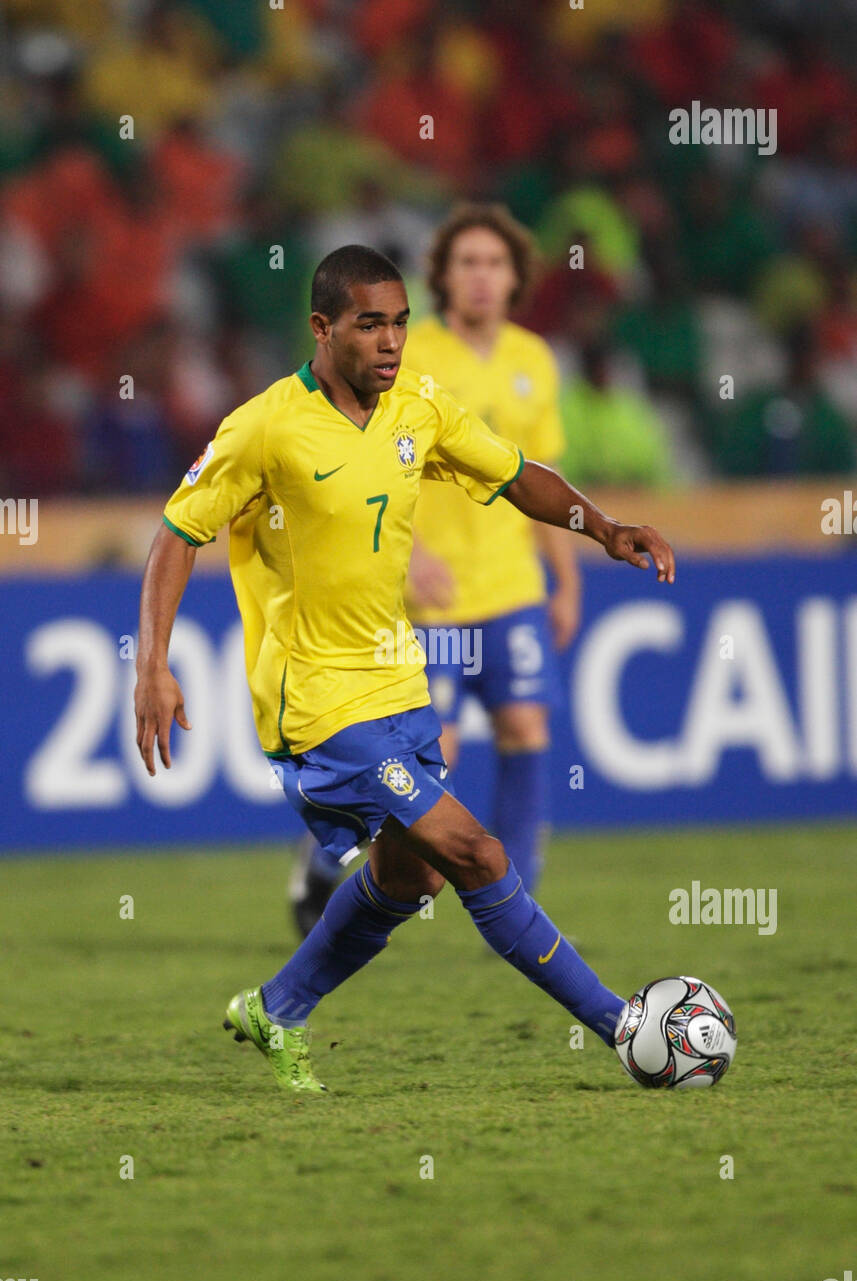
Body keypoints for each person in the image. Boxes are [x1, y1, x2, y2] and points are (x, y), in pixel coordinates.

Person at [134, 245, 675, 1095]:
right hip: (314, 700)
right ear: (322, 328)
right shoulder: (265, 427)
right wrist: (152, 668)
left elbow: (513, 474)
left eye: (399, 323)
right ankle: (625, 1027)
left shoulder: (417, 405)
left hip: (398, 683)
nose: (390, 342)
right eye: (368, 324)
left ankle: (278, 1009)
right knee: (474, 852)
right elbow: (176, 533)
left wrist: (601, 527)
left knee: (410, 872)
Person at [289, 205, 578, 936]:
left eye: (494, 264)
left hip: (511, 585)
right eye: (466, 264)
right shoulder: (407, 357)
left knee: (523, 725)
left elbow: (536, 475)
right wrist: (411, 553)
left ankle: (517, 896)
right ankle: (324, 864)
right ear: (443, 278)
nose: (481, 278)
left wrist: (566, 577)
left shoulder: (533, 361)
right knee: (431, 753)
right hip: (430, 597)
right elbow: (368, 465)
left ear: (515, 277)